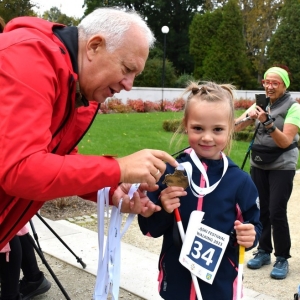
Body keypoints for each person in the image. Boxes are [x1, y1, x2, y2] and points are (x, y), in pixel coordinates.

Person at [0, 7, 178, 251]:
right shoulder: (28, 57)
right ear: (94, 46)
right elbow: (22, 170)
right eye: (127, 69)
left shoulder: (75, 86)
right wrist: (119, 168)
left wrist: (112, 189)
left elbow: (56, 160)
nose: (129, 85)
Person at [138, 81, 262, 300]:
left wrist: (250, 235)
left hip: (221, 286)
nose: (207, 137)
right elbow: (149, 230)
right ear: (186, 124)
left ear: (230, 128)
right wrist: (164, 209)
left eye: (217, 130)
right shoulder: (171, 172)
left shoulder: (239, 181)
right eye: (198, 128)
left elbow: (254, 224)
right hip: (176, 285)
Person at [235, 65, 300, 280]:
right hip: (259, 163)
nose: (269, 87)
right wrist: (247, 117)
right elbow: (235, 127)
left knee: (276, 210)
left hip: (282, 165)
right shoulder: (259, 103)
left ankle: (282, 257)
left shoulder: (294, 107)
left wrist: (267, 122)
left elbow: (285, 142)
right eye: (266, 82)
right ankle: (263, 251)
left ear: (284, 85)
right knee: (260, 209)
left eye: (275, 83)